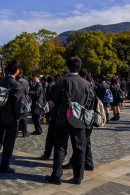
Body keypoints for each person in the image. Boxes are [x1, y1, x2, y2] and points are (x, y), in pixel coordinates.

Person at [46, 57, 93, 186]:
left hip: (62, 118)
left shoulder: (61, 82)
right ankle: (78, 176)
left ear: (68, 67)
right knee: (79, 148)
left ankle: (56, 175)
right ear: (79, 68)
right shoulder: (86, 84)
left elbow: (54, 100)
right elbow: (90, 102)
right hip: (79, 119)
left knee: (60, 147)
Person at [0, 60, 23, 173]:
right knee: (8, 142)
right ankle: (4, 165)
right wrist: (18, 116)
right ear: (17, 71)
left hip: (0, 114)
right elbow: (17, 104)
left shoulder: (1, 81)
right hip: (11, 117)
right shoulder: (17, 85)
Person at [29, 71, 44, 135]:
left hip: (37, 103)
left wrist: (29, 92)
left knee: (37, 118)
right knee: (34, 117)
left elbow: (37, 92)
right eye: (33, 77)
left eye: (34, 77)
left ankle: (39, 130)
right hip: (34, 102)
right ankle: (37, 130)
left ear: (38, 78)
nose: (33, 78)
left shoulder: (39, 84)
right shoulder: (34, 84)